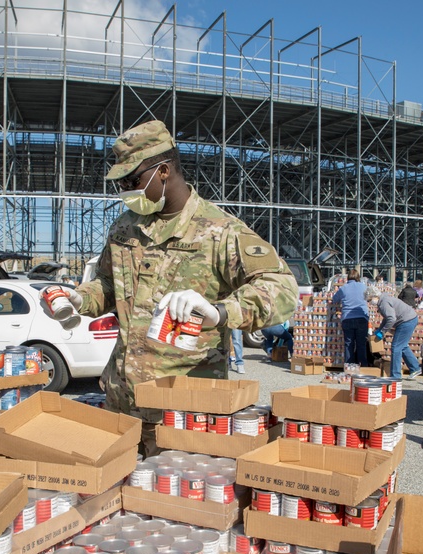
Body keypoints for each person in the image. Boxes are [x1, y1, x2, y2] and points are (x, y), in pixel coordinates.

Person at [62, 120, 297, 454]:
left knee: (176, 503)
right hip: (122, 405)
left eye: (133, 180)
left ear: (163, 171)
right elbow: (108, 285)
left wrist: (220, 311)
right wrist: (80, 298)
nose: (125, 190)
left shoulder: (219, 230)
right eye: (121, 183)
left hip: (185, 413)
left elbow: (282, 287)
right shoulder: (125, 228)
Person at [374, 292, 422, 379]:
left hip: (406, 321)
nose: (370, 302)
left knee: (396, 347)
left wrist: (383, 331)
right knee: (402, 346)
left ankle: (395, 375)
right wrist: (379, 329)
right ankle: (415, 367)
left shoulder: (383, 303)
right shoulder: (384, 300)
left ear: (375, 296)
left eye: (370, 300)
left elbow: (391, 318)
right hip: (410, 319)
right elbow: (386, 318)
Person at [332, 269, 370, 366]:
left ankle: (349, 367)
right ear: (358, 277)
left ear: (348, 277)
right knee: (361, 343)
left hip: (347, 318)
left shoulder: (344, 288)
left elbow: (334, 300)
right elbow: (369, 298)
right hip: (362, 317)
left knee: (349, 344)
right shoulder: (363, 287)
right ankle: (363, 366)